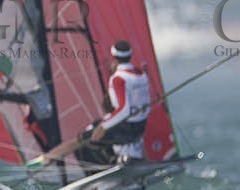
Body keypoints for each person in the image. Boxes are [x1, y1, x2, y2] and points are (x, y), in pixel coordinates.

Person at [32, 39, 151, 167]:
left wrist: (102, 127)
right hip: (140, 125)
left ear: (114, 57)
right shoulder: (141, 74)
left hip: (124, 126)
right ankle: (142, 163)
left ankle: (44, 160)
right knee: (126, 139)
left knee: (78, 141)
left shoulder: (118, 78)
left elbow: (124, 110)